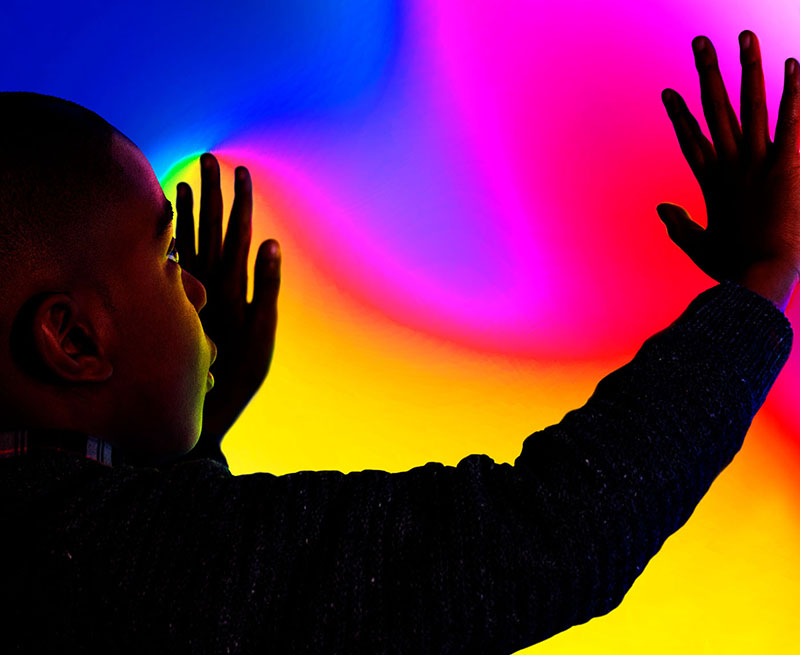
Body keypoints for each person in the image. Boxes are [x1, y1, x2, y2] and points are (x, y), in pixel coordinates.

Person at [0, 28, 796, 654]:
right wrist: (759, 282)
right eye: (169, 258)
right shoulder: (109, 563)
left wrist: (195, 450)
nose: (201, 289)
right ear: (71, 337)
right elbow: (540, 536)